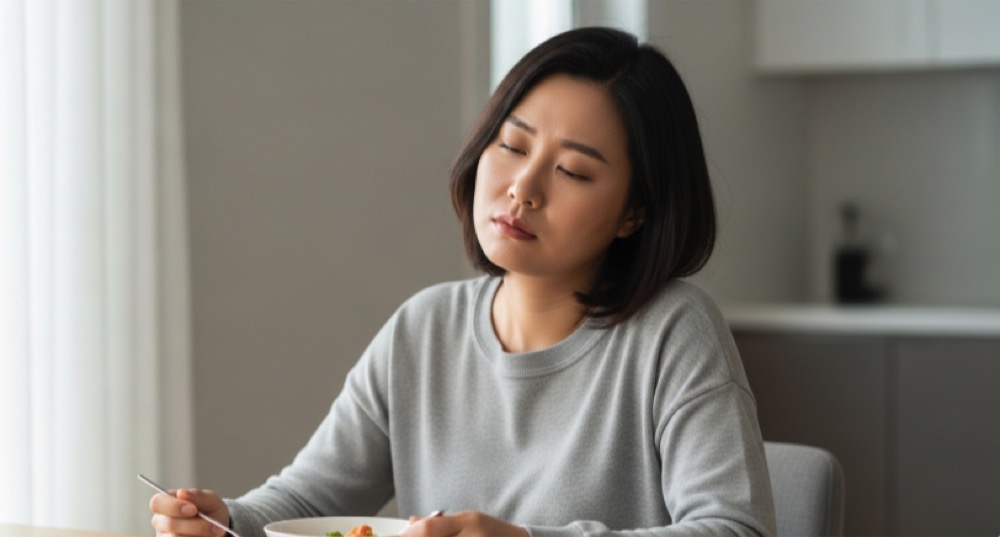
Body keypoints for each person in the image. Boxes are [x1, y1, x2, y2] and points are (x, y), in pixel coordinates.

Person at [150, 26, 776, 537]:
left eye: (573, 172)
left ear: (634, 213)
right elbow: (311, 500)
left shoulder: (673, 331)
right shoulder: (424, 329)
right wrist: (226, 519)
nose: (522, 188)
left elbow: (734, 529)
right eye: (511, 145)